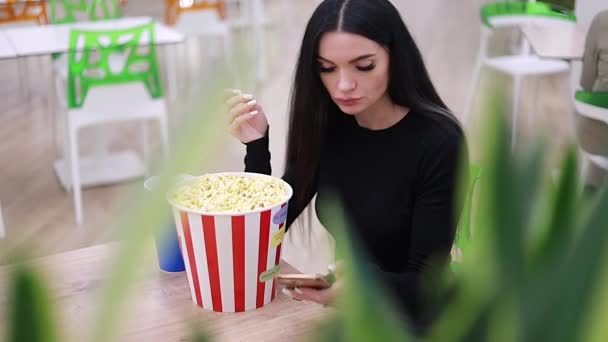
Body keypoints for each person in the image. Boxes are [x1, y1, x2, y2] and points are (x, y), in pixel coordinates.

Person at [225, 0, 468, 333]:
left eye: (363, 66)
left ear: (395, 57)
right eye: (327, 67)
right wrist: (257, 146)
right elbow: (265, 229)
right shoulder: (330, 125)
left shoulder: (439, 143)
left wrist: (364, 287)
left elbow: (427, 288)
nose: (343, 85)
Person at [576, 9, 608, 194]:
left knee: (596, 111)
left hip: (596, 136)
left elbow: (585, 82)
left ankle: (590, 194)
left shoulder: (603, 20)